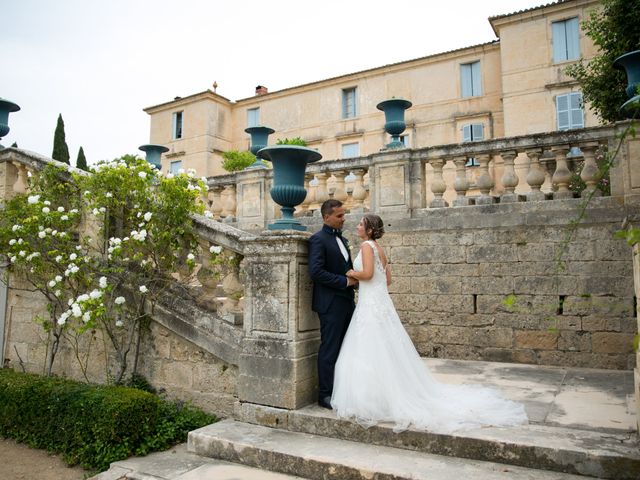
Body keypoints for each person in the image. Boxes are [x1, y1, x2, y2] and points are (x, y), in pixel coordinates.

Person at [331, 214, 528, 433]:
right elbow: (387, 280)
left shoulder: (367, 246)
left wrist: (351, 272)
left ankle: (375, 399)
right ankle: (386, 394)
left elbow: (367, 274)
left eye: (360, 224)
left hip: (371, 305)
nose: (357, 227)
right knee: (385, 348)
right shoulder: (380, 249)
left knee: (371, 348)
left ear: (368, 230)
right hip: (380, 303)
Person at [309, 199, 357, 409]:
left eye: (343, 215)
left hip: (347, 302)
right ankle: (325, 395)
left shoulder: (344, 240)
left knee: (348, 348)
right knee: (330, 349)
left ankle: (343, 389)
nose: (343, 219)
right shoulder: (318, 240)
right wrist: (345, 282)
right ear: (326, 217)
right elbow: (316, 272)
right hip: (330, 304)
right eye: (339, 215)